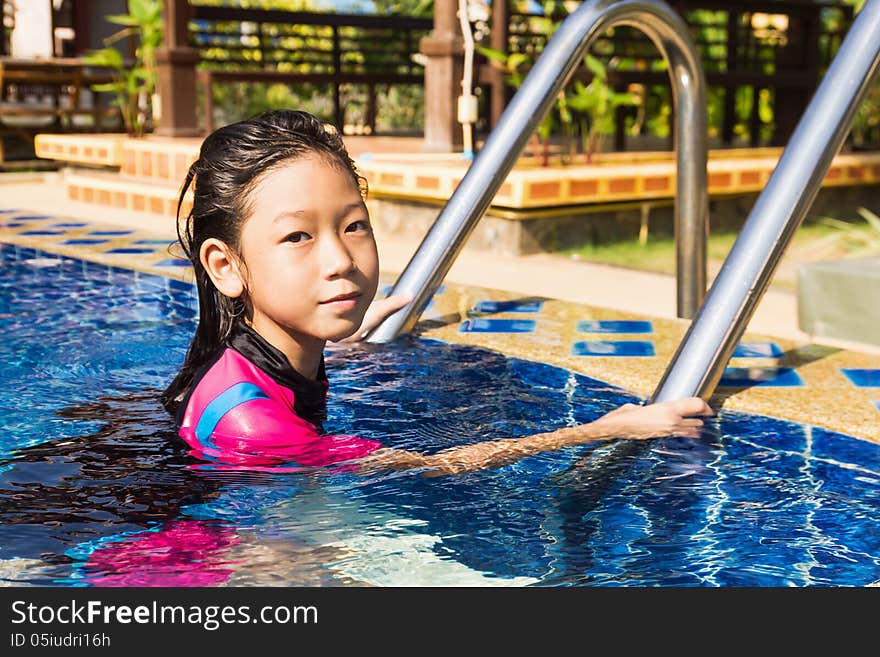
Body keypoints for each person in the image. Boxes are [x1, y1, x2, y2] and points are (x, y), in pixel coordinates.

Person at [161, 109, 713, 477]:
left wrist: (347, 329)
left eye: (353, 226)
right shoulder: (256, 427)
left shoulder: (258, 355)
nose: (340, 260)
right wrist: (606, 428)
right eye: (298, 237)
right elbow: (434, 466)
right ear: (225, 267)